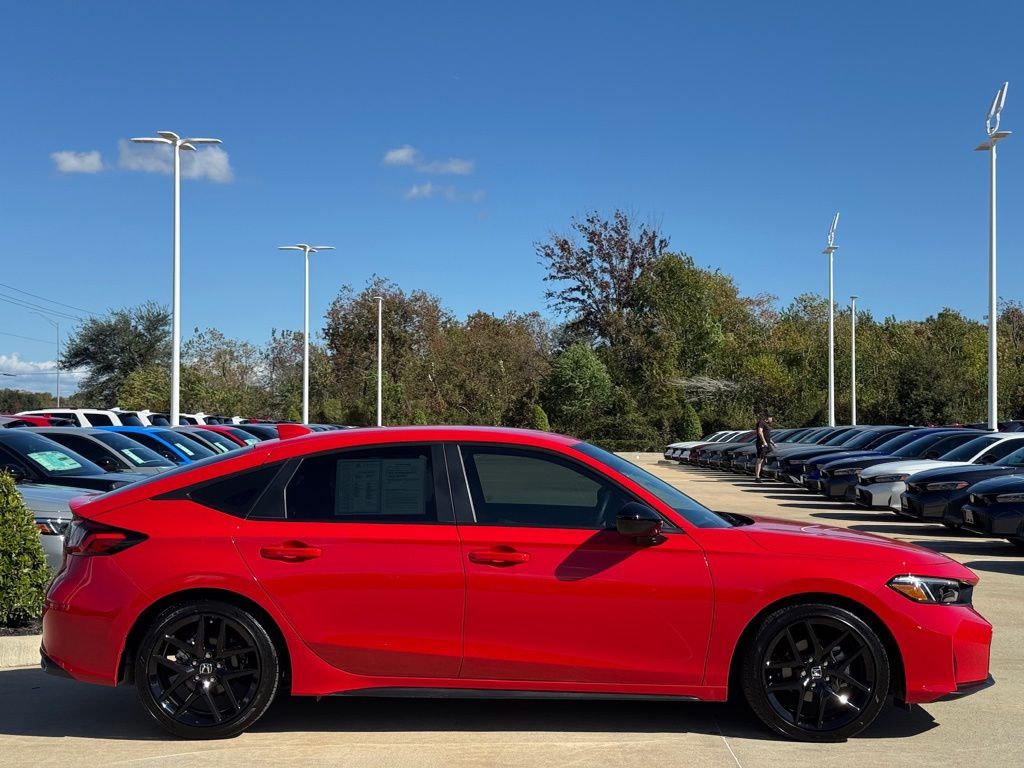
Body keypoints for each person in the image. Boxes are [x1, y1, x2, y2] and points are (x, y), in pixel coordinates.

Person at [754, 413, 774, 482]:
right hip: (762, 444)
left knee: (766, 458)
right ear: (767, 417)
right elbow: (760, 432)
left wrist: (772, 443)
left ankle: (764, 472)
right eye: (771, 418)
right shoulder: (761, 422)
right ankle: (757, 477)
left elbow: (766, 435)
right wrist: (764, 442)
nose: (771, 419)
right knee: (760, 459)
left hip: (767, 444)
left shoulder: (766, 424)